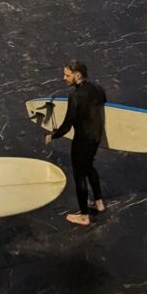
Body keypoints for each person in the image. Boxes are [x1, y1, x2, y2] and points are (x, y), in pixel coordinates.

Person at [46, 60, 106, 226]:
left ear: (77, 75)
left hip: (82, 141)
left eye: (67, 75)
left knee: (80, 176)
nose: (64, 77)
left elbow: (67, 124)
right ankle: (99, 203)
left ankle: (84, 216)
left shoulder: (75, 97)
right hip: (96, 137)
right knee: (89, 167)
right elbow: (103, 106)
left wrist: (53, 135)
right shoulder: (97, 88)